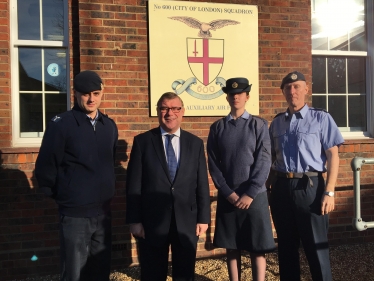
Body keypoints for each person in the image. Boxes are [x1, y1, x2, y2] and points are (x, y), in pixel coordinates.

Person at [35, 70, 118, 281]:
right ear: (75, 93)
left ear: (102, 93)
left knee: (100, 270)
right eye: (86, 93)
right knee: (74, 273)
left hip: (103, 213)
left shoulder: (109, 126)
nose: (91, 99)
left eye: (96, 93)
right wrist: (65, 195)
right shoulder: (60, 124)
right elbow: (46, 166)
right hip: (74, 215)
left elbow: (109, 162)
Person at [125, 92, 211, 281]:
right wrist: (134, 220)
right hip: (152, 222)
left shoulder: (195, 143)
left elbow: (202, 183)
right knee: (152, 273)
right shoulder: (143, 142)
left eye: (175, 108)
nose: (169, 113)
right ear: (158, 112)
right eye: (164, 108)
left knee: (185, 273)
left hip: (186, 222)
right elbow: (134, 185)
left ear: (182, 112)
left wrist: (203, 218)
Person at [268, 71, 344, 281]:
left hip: (310, 187)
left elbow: (333, 156)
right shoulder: (276, 123)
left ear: (306, 89)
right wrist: (268, 188)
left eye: (297, 87)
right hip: (282, 188)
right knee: (286, 248)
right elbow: (272, 160)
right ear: (283, 92)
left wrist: (329, 191)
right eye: (288, 88)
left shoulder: (321, 118)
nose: (293, 91)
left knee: (316, 247)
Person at [207, 77, 276, 281]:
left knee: (257, 247)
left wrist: (251, 192)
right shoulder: (217, 128)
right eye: (231, 93)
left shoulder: (259, 125)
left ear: (247, 96)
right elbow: (213, 164)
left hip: (254, 197)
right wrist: (227, 192)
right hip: (229, 197)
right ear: (227, 97)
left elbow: (264, 160)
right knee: (232, 246)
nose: (235, 96)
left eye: (240, 93)